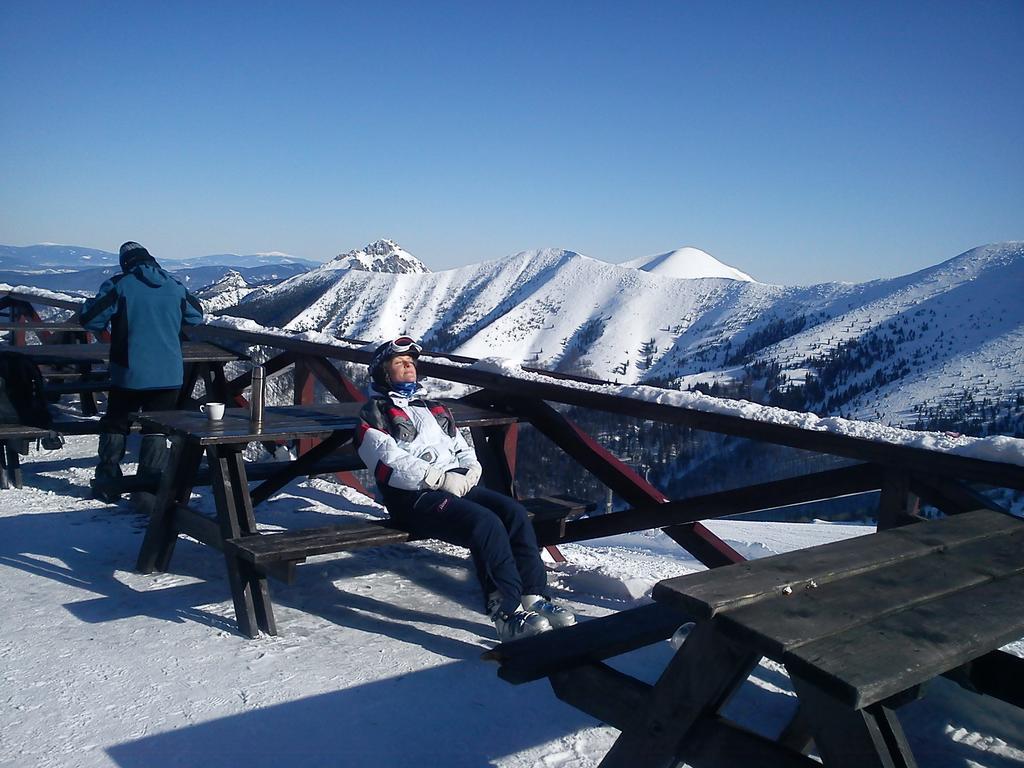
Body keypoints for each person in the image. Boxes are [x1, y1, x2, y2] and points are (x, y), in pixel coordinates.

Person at [355, 336, 576, 642]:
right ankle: (506, 612)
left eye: (411, 363)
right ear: (382, 372)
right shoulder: (374, 413)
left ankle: (534, 595)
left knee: (513, 512)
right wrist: (440, 480)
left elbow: (463, 447)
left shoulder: (434, 408)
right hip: (414, 497)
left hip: (455, 486)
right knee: (485, 524)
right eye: (399, 363)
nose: (408, 368)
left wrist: (470, 473)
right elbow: (389, 462)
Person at [80, 241, 205, 502]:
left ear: (125, 262)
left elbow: (91, 319)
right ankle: (148, 486)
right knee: (157, 429)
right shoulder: (175, 285)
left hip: (129, 371)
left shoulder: (119, 285)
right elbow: (196, 316)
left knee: (116, 423)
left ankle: (108, 480)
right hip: (169, 373)